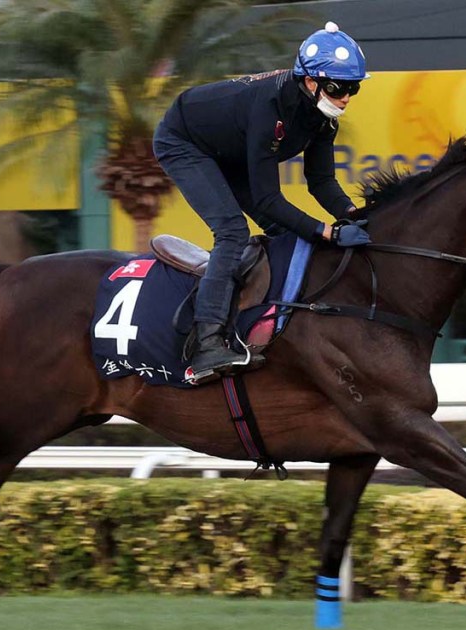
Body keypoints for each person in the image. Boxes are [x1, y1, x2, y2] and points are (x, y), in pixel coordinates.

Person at [153, 21, 372, 384]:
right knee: (232, 232)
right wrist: (328, 233)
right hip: (185, 141)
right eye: (338, 88)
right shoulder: (272, 111)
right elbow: (269, 199)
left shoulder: (323, 118)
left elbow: (321, 182)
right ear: (311, 82)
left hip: (230, 148)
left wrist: (353, 215)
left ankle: (262, 319)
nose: (346, 97)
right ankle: (206, 344)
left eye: (354, 88)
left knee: (285, 232)